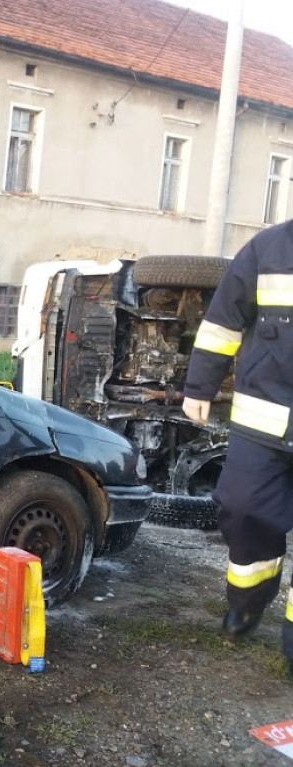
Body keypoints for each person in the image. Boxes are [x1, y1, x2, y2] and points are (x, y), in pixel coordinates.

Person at [181, 221, 293, 667]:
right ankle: (248, 602)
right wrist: (199, 387)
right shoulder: (268, 248)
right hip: (263, 416)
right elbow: (222, 321)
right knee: (242, 509)